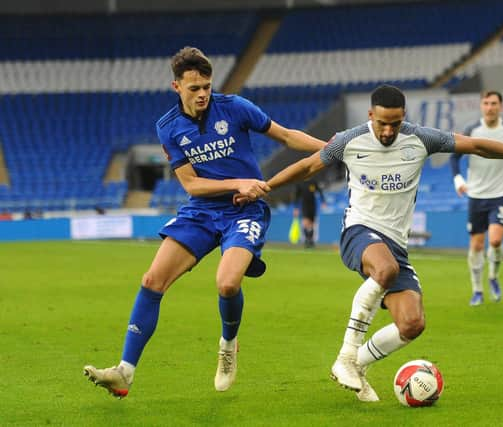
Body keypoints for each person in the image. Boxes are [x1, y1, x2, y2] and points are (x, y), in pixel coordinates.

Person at [240, 84, 503, 402]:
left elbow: (478, 146)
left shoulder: (421, 138)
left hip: (396, 243)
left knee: (412, 324)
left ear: (403, 117)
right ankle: (346, 355)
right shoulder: (348, 141)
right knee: (384, 269)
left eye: (395, 124)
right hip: (359, 231)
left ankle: (357, 366)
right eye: (382, 123)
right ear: (370, 115)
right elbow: (307, 166)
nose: (387, 131)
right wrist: (264, 187)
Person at [83, 46, 326, 398]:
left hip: (245, 210)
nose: (202, 94)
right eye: (194, 88)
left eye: (206, 87)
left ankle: (228, 345)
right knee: (153, 280)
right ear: (176, 86)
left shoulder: (235, 107)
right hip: (201, 211)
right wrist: (236, 181)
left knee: (227, 284)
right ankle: (125, 372)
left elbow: (286, 135)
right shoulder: (168, 128)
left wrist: (333, 147)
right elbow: (191, 184)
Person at [450, 90, 503, 306]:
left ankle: (493, 276)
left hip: (501, 194)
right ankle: (477, 290)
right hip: (476, 195)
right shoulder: (473, 130)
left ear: (500, 107)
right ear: (481, 106)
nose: (490, 107)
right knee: (476, 245)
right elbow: (454, 156)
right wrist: (458, 179)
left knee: (495, 240)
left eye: (494, 103)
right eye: (486, 103)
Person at [293, 179, 325, 248]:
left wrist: (323, 201)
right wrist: (296, 208)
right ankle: (307, 240)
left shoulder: (313, 182)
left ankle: (311, 241)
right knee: (306, 222)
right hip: (304, 205)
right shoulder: (300, 183)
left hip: (313, 205)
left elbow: (319, 191)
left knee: (312, 224)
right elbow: (296, 196)